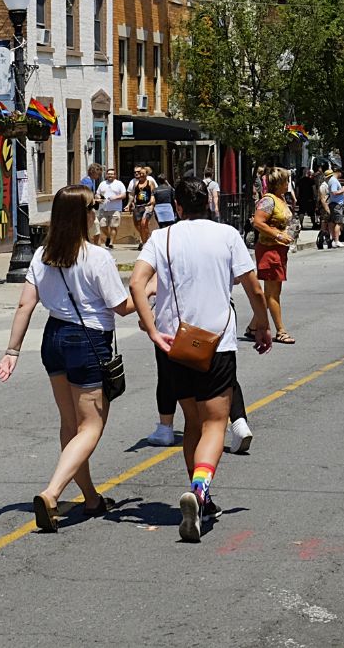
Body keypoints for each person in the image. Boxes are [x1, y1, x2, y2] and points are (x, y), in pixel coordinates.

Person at [129, 175, 273, 542]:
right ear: (209, 202)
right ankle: (200, 490)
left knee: (192, 422)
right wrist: (261, 322)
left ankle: (200, 497)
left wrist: (150, 328)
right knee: (215, 424)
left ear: (176, 206)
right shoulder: (226, 235)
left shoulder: (162, 237)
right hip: (216, 344)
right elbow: (253, 285)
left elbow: (136, 284)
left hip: (175, 345)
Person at [0, 185, 135, 531]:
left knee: (70, 425)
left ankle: (89, 497)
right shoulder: (97, 257)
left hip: (54, 339)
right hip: (88, 342)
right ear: (81, 215)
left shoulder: (43, 255)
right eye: (92, 207)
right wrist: (148, 291)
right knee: (91, 426)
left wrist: (12, 351)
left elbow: (25, 304)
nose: (95, 213)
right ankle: (53, 492)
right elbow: (122, 308)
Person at [248, 170, 296, 345]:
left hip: (279, 250)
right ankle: (280, 331)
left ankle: (253, 327)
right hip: (270, 250)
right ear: (279, 182)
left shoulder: (279, 199)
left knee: (273, 292)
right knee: (273, 293)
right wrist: (277, 235)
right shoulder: (268, 200)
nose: (288, 184)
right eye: (286, 181)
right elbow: (258, 222)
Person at [94, 168, 127, 245]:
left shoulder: (119, 184)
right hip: (103, 208)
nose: (110, 175)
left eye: (112, 174)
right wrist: (98, 197)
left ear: (115, 175)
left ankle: (111, 243)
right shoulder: (102, 183)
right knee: (102, 225)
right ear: (106, 175)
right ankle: (108, 236)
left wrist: (115, 197)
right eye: (109, 174)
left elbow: (124, 195)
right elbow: (97, 193)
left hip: (115, 208)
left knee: (114, 226)